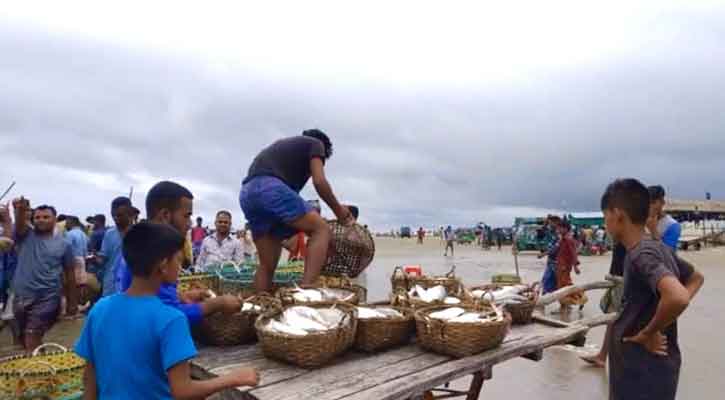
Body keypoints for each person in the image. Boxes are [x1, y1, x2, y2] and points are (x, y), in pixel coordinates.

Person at [75, 222, 259, 399]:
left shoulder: (100, 308)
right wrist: (233, 378)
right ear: (163, 266)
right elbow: (183, 390)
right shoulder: (171, 319)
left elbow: (90, 378)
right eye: (178, 260)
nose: (179, 267)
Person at [600, 178, 704, 400]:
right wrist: (662, 322)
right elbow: (695, 278)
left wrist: (649, 332)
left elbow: (678, 298)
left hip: (640, 374)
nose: (604, 222)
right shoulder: (657, 248)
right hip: (656, 369)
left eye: (605, 215)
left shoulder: (641, 255)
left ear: (618, 214)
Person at [239, 129, 353, 292]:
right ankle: (306, 293)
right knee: (321, 229)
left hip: (247, 194)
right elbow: (320, 182)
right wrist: (339, 211)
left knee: (267, 265)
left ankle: (259, 306)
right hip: (269, 188)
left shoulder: (283, 152)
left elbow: (290, 216)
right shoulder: (316, 144)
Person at [118, 181, 242, 325]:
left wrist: (182, 297)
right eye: (186, 216)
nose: (189, 223)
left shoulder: (142, 245)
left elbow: (157, 300)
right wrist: (217, 304)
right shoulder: (154, 255)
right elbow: (168, 316)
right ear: (165, 215)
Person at [9, 198, 77, 351]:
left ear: (55, 219)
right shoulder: (26, 235)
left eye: (46, 217)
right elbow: (19, 224)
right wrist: (20, 209)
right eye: (37, 217)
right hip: (21, 296)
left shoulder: (64, 244)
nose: (41, 220)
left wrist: (72, 302)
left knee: (32, 335)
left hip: (48, 297)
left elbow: (70, 273)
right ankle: (41, 368)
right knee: (23, 340)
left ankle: (37, 372)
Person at [581, 242, 626, 367]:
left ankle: (605, 356)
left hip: (622, 284)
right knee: (611, 321)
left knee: (614, 321)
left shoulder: (633, 240)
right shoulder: (622, 238)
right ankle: (603, 355)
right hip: (617, 282)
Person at [94, 197, 134, 297]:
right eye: (113, 215)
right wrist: (95, 258)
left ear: (129, 213)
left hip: (131, 288)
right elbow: (103, 259)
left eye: (120, 215)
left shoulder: (138, 234)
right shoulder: (109, 234)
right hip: (110, 287)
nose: (116, 218)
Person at [555, 222, 587, 312]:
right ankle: (564, 305)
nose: (558, 230)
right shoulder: (563, 239)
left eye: (560, 228)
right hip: (561, 265)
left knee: (565, 286)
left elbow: (573, 253)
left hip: (564, 267)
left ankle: (582, 298)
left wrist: (575, 266)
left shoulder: (568, 240)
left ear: (565, 229)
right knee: (561, 286)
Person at [64, 216, 90, 310]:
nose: (65, 224)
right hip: (83, 259)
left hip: (73, 260)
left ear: (71, 222)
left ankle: (73, 304)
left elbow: (66, 248)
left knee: (72, 283)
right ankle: (82, 303)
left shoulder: (69, 234)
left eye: (67, 222)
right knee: (81, 283)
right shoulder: (83, 234)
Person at [648, 185, 681, 251]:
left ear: (662, 202)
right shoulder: (640, 221)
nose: (651, 206)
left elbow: (668, 253)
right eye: (648, 203)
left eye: (653, 202)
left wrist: (653, 230)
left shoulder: (672, 225)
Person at [539, 216, 561, 294]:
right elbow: (541, 232)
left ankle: (564, 303)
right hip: (551, 260)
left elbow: (555, 248)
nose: (550, 224)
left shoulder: (559, 233)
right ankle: (543, 299)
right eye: (549, 222)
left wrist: (544, 254)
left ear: (556, 223)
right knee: (546, 279)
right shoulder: (551, 231)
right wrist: (545, 223)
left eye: (551, 222)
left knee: (559, 281)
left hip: (558, 261)